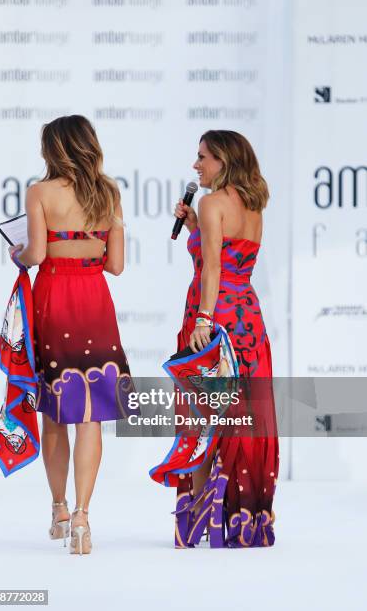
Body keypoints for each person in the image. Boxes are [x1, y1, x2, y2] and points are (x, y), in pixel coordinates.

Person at [8, 115, 132, 555]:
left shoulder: (40, 192)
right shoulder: (109, 192)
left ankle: (59, 509)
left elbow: (36, 253)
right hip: (95, 301)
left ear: (55, 150)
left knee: (55, 411)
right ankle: (83, 516)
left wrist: (15, 253)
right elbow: (116, 266)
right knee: (91, 414)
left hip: (54, 297)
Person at [150, 130, 279, 548]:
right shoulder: (253, 206)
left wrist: (203, 319)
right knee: (240, 417)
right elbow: (230, 259)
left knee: (200, 415)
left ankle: (196, 515)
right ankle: (243, 519)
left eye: (202, 156)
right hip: (248, 318)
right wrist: (193, 226)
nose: (196, 165)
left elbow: (211, 270)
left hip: (214, 316)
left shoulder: (210, 203)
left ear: (223, 160)